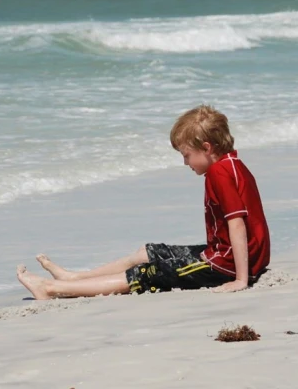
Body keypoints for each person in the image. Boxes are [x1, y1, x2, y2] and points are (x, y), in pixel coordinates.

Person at [16, 105, 271, 299]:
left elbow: (237, 224)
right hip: (226, 256)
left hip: (224, 265)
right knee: (149, 252)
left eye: (187, 155)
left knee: (148, 273)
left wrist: (240, 279)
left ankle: (52, 289)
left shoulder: (219, 173)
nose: (185, 163)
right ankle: (74, 277)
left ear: (206, 147)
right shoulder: (233, 164)